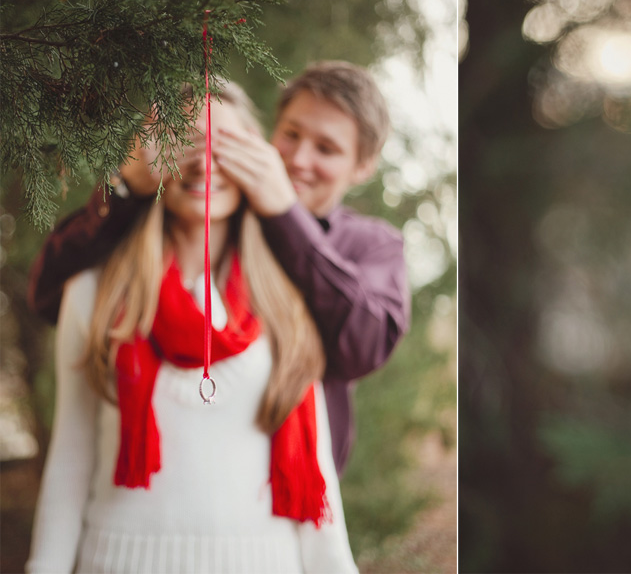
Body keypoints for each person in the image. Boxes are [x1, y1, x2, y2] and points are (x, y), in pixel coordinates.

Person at [27, 83, 358, 574]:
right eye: (182, 142)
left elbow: (318, 479)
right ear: (146, 159)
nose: (203, 163)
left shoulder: (289, 296)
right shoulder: (94, 291)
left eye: (223, 146)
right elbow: (71, 459)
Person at [29, 61, 411, 475]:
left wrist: (287, 218)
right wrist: (129, 189)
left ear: (363, 166)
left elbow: (363, 348)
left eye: (327, 149)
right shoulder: (212, 212)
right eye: (291, 134)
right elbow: (50, 294)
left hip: (290, 492)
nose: (299, 159)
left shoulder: (373, 245)